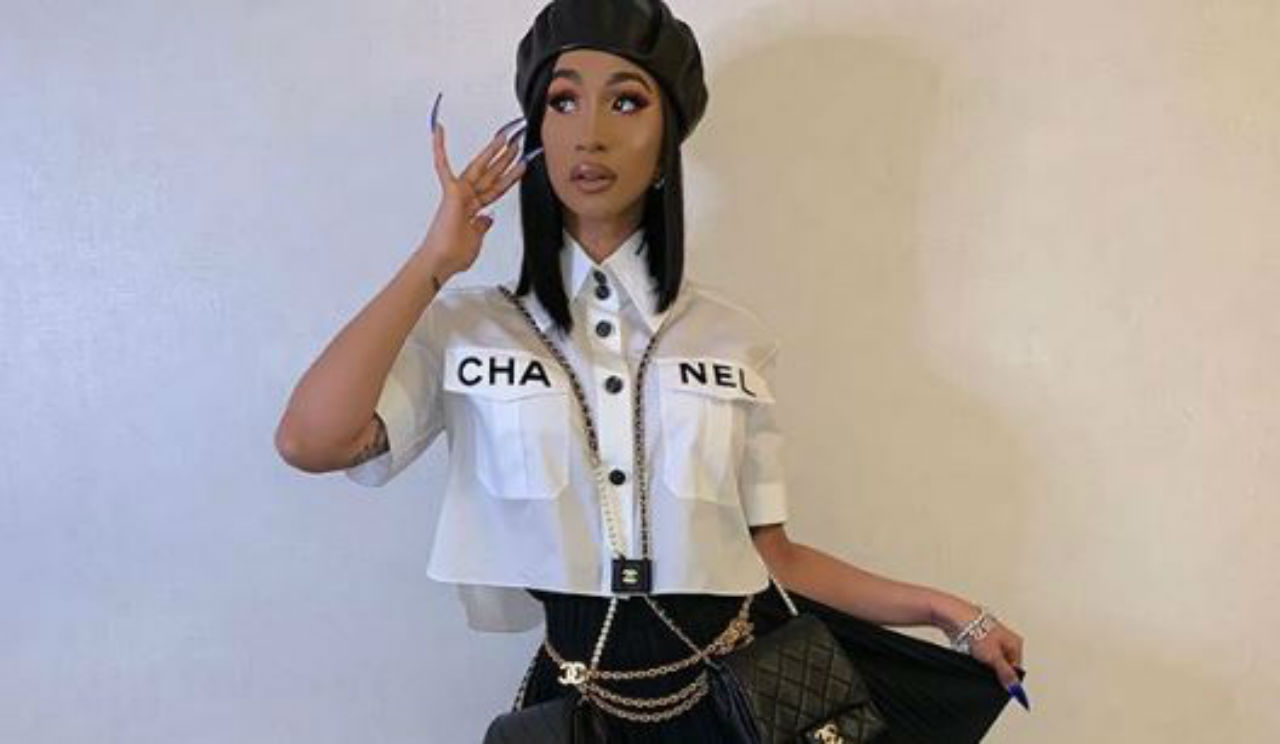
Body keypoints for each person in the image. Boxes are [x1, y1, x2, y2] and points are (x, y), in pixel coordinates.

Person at [275, 1, 1029, 741]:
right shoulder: (468, 327)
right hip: (576, 710)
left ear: (667, 137)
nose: (590, 133)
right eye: (563, 101)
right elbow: (312, 442)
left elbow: (776, 557)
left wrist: (940, 609)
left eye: (627, 102)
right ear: (536, 130)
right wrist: (432, 264)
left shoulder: (732, 337)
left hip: (736, 704)